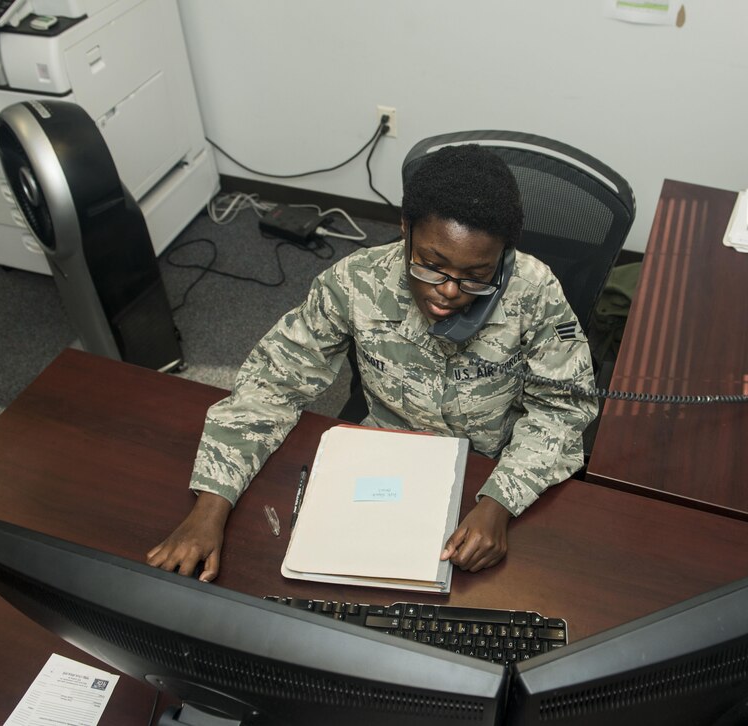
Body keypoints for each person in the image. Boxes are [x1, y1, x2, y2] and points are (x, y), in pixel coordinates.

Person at [147, 144, 598, 581]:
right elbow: (272, 383)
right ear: (406, 229)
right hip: (386, 461)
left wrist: (500, 502)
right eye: (431, 264)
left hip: (495, 468)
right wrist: (209, 510)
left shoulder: (535, 292)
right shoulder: (355, 281)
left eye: (476, 277)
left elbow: (563, 409)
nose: (449, 291)